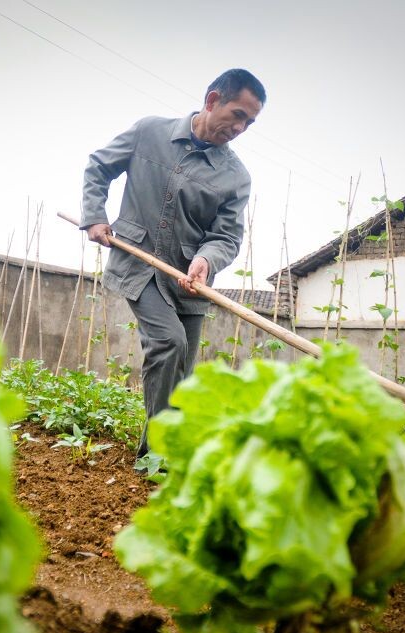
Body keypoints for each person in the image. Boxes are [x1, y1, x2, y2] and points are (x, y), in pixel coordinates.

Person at [79, 68, 266, 460]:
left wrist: (205, 259)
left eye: (249, 122)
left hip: (189, 280)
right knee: (169, 342)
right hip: (138, 262)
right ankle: (156, 455)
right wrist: (95, 215)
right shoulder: (150, 132)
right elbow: (99, 166)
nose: (240, 127)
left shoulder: (236, 177)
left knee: (183, 372)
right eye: (237, 114)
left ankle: (166, 451)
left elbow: (227, 237)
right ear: (212, 100)